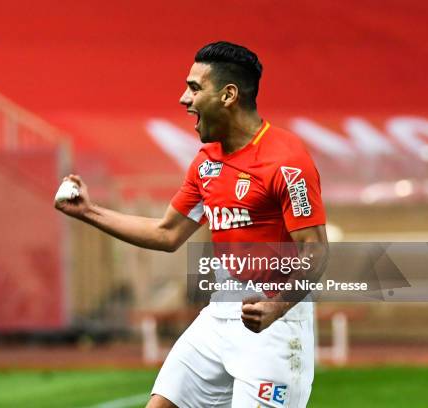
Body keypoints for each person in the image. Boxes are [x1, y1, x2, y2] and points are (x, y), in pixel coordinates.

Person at [55, 41, 328, 408]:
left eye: (195, 88)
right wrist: (88, 212)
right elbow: (167, 233)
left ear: (229, 94)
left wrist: (277, 305)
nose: (184, 99)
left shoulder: (287, 161)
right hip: (218, 317)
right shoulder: (206, 162)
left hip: (274, 326)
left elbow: (316, 250)